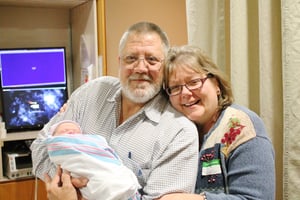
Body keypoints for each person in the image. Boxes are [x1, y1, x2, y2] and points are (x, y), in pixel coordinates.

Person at [30, 22, 199, 200]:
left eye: (152, 60)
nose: (140, 68)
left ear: (165, 67)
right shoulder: (90, 93)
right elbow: (39, 150)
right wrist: (70, 186)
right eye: (131, 58)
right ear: (119, 62)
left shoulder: (179, 132)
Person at [160, 45, 275, 199]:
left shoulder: (242, 127)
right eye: (175, 87)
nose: (185, 93)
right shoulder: (173, 131)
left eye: (194, 82)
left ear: (217, 85)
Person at [45, 120, 140, 200]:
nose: (71, 132)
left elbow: (107, 153)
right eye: (64, 131)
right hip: (93, 180)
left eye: (76, 131)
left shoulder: (92, 141)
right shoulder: (60, 146)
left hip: (109, 170)